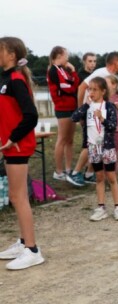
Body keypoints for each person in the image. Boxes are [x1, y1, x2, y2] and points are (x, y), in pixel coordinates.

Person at [0, 36, 45, 270]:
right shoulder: (6, 79)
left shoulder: (16, 80)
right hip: (10, 144)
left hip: (17, 145)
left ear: (12, 55)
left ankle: (32, 249)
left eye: (1, 50)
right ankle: (22, 241)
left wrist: (12, 138)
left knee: (18, 197)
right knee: (17, 197)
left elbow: (31, 115)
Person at [72, 77, 118, 221]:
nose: (91, 92)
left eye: (95, 90)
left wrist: (102, 119)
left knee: (111, 177)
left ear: (103, 91)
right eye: (90, 89)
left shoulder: (109, 106)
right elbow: (74, 117)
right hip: (93, 147)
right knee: (99, 177)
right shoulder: (87, 107)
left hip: (107, 147)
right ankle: (101, 207)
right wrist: (85, 106)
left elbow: (113, 126)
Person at [70, 52, 118, 185]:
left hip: (100, 115)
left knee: (98, 144)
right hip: (90, 113)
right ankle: (75, 173)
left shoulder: (110, 76)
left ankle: (89, 174)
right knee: (89, 144)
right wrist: (81, 109)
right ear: (115, 62)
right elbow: (82, 87)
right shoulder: (101, 73)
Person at [47, 46, 82, 186]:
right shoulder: (53, 70)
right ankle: (59, 171)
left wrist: (73, 72)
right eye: (66, 55)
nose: (68, 58)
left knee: (70, 140)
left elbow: (75, 84)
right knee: (62, 139)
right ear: (59, 55)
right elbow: (68, 88)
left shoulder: (64, 70)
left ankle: (68, 168)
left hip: (71, 107)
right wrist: (72, 83)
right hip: (63, 108)